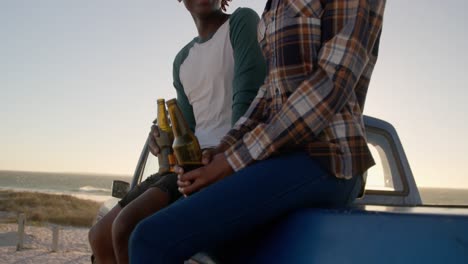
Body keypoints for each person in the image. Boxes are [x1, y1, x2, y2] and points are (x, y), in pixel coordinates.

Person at [129, 0, 387, 263]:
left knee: (149, 239)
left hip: (328, 157)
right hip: (273, 158)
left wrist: (232, 160)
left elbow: (330, 84)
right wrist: (224, 148)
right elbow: (266, 95)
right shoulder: (273, 4)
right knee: (223, 246)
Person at [87, 0, 266, 263]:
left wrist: (222, 155)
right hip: (188, 162)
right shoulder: (182, 60)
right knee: (99, 237)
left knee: (125, 228)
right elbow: (189, 128)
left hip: (223, 158)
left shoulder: (242, 22)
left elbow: (248, 98)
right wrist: (163, 140)